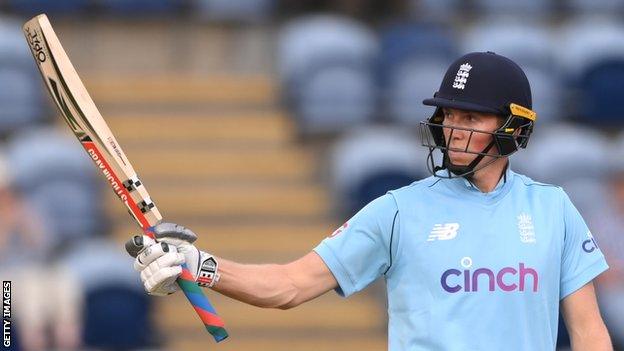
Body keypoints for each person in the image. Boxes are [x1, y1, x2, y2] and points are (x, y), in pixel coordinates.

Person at [126, 52, 613, 350]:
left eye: (474, 118)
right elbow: (290, 285)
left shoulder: (553, 209)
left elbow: (589, 332)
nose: (454, 130)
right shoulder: (397, 210)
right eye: (450, 115)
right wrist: (200, 265)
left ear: (513, 128)